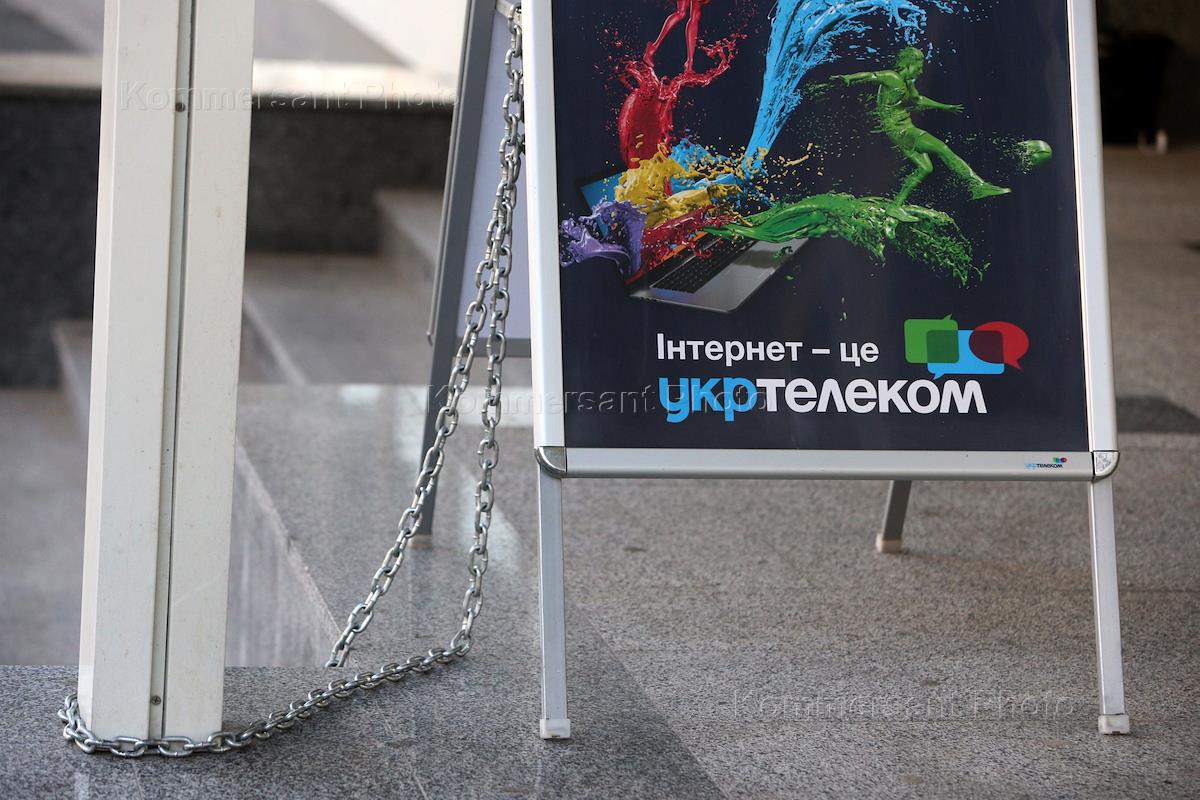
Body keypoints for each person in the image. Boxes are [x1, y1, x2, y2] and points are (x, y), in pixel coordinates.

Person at [833, 47, 1010, 203]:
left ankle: (896, 205)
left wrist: (945, 107)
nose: (921, 71)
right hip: (902, 131)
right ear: (908, 64)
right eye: (918, 68)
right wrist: (848, 78)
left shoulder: (908, 83)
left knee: (925, 169)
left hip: (901, 132)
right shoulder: (892, 77)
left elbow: (918, 100)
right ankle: (977, 185)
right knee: (942, 149)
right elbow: (871, 76)